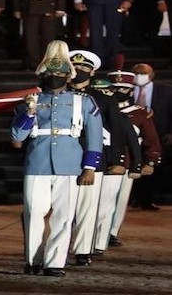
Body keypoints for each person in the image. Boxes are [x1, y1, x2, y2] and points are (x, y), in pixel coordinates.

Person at [10, 40, 102, 277]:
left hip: (69, 163)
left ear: (67, 75)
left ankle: (55, 262)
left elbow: (94, 137)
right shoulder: (31, 100)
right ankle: (33, 260)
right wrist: (29, 112)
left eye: (59, 73)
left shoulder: (84, 101)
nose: (54, 77)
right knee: (34, 212)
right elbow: (17, 134)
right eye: (50, 72)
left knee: (64, 215)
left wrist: (90, 167)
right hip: (37, 162)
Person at [67, 50, 140, 266]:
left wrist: (116, 160)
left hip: (94, 156)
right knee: (64, 207)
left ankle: (82, 249)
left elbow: (117, 128)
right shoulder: (60, 93)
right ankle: (61, 246)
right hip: (66, 156)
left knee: (89, 207)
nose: (78, 71)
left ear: (92, 71)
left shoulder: (103, 96)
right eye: (75, 67)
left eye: (83, 68)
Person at [100, 66, 162, 250]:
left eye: (124, 88)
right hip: (103, 160)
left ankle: (111, 231)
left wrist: (150, 160)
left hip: (127, 162)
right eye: (115, 88)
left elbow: (151, 139)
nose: (119, 92)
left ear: (131, 90)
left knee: (119, 200)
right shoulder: (100, 109)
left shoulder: (140, 113)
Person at [130, 63, 172, 210]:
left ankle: (146, 200)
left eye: (143, 73)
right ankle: (133, 199)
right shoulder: (125, 90)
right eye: (137, 73)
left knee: (154, 167)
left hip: (158, 134)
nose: (140, 76)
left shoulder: (166, 91)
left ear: (152, 75)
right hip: (131, 134)